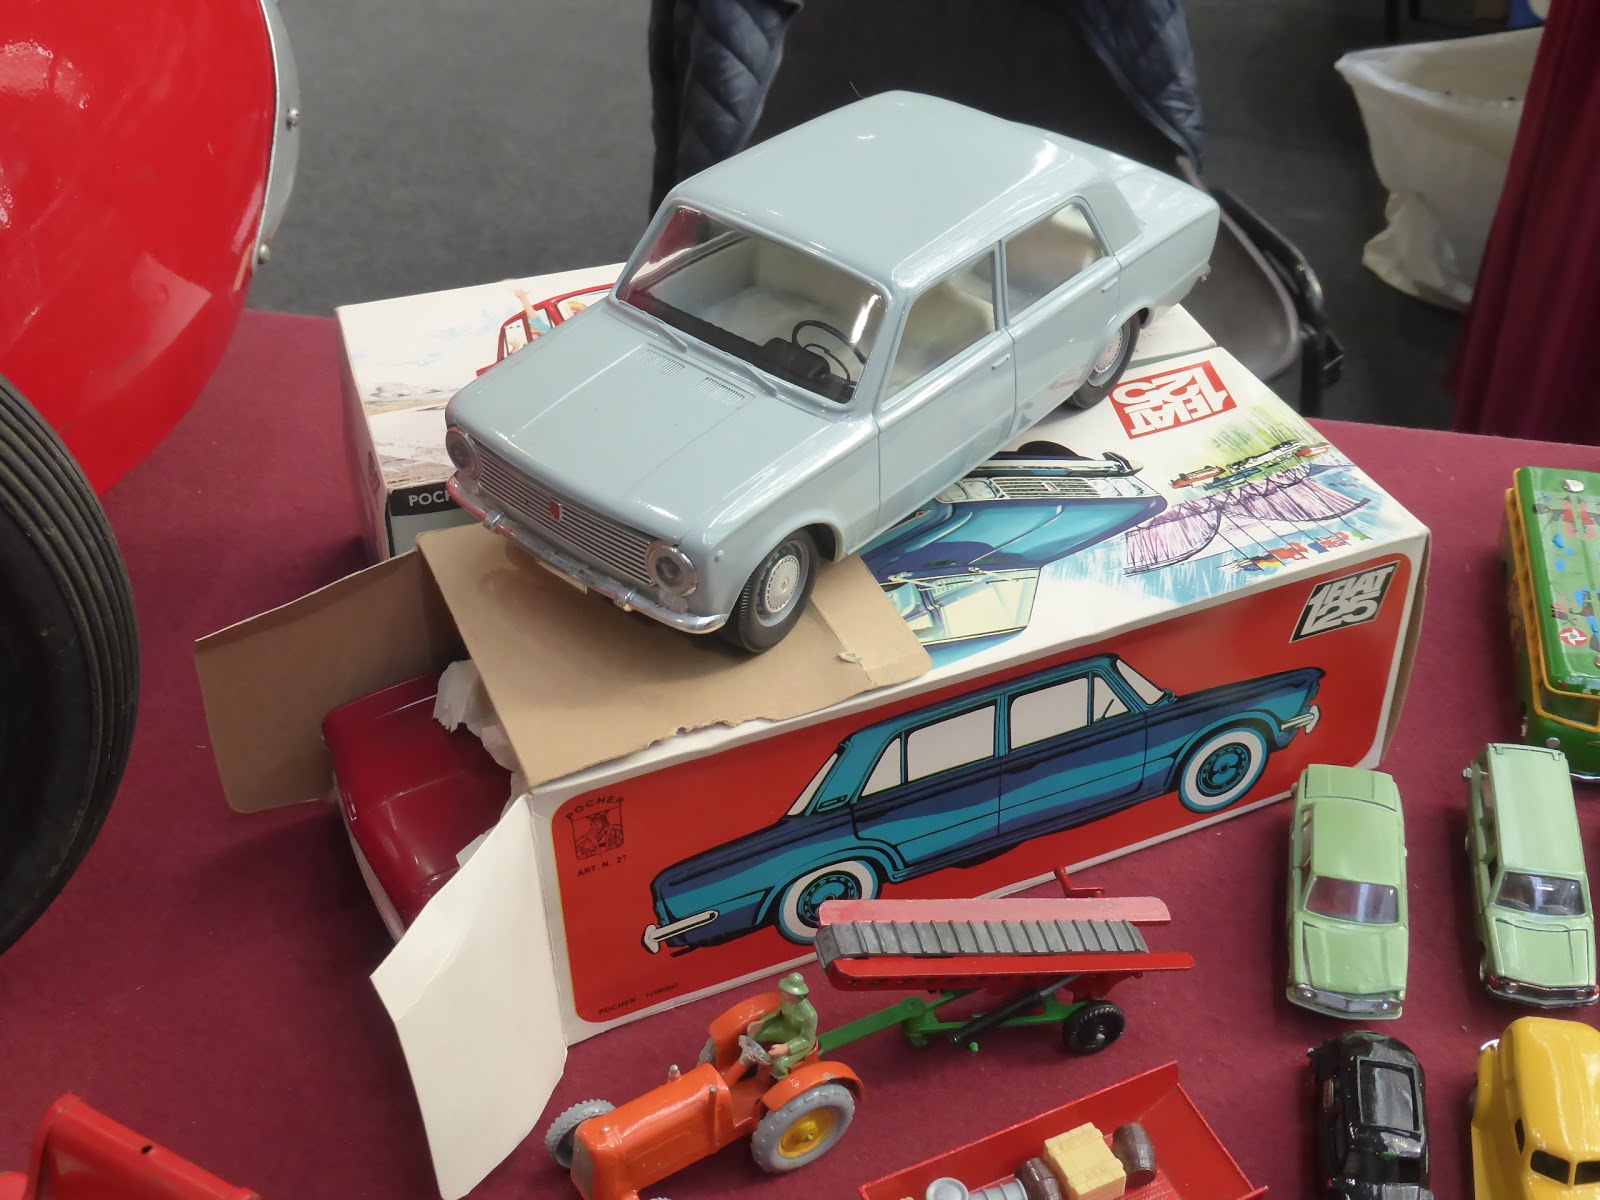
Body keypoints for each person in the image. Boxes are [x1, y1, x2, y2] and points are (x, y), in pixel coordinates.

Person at [747, 973, 817, 1079]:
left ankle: (778, 1080)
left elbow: (807, 1039)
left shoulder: (810, 1015)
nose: (783, 994)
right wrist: (762, 1022)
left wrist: (786, 1048)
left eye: (788, 992)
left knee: (780, 1063)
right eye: (784, 991)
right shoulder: (785, 1000)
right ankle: (752, 1065)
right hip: (784, 1028)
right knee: (756, 1035)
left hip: (800, 1040)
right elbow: (778, 1013)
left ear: (798, 995)